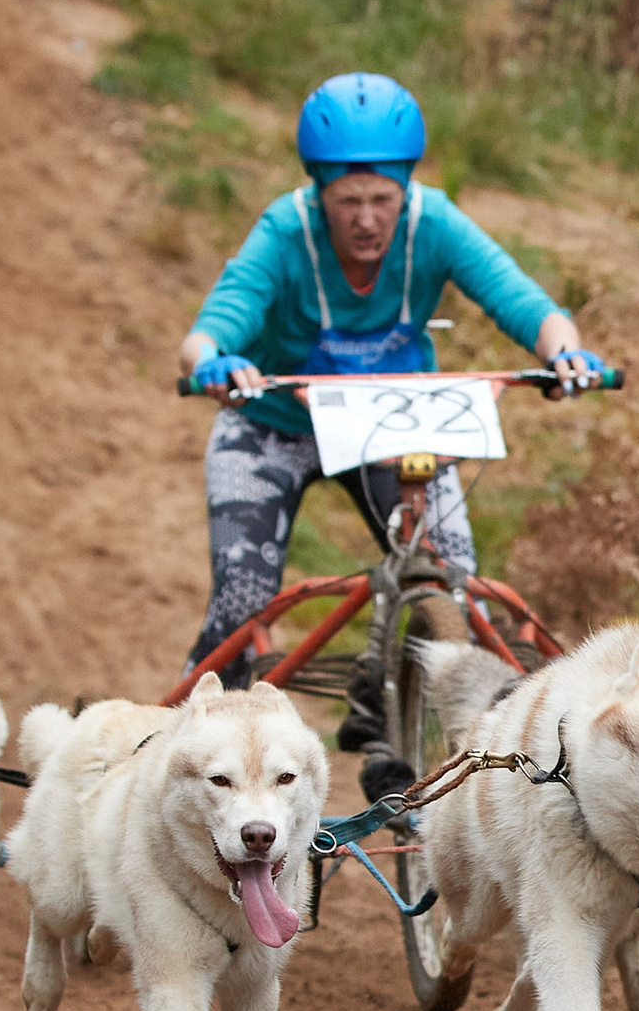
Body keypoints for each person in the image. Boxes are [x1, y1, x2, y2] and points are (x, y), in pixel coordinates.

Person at [178, 71, 605, 771]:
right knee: (245, 595)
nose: (368, 219)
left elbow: (520, 298)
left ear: (406, 189)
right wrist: (216, 364)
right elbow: (209, 330)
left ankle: (390, 715)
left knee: (454, 580)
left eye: (383, 198)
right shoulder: (285, 233)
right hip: (274, 422)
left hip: (388, 423)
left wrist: (564, 354)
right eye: (348, 201)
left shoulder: (432, 223)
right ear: (319, 194)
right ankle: (177, 737)